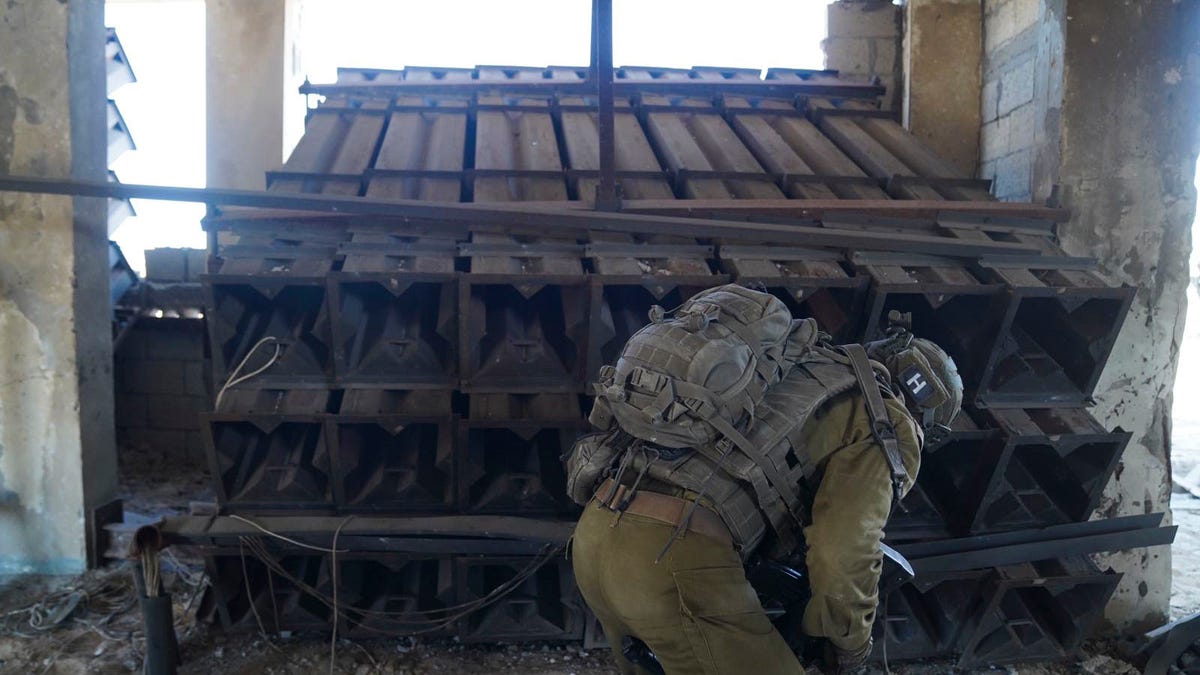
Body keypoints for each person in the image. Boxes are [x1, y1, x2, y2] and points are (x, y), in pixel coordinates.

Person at [566, 286, 962, 675]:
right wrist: (849, 645)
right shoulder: (885, 419)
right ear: (927, 413)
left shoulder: (794, 367)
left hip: (594, 535)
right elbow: (844, 552)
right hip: (672, 564)